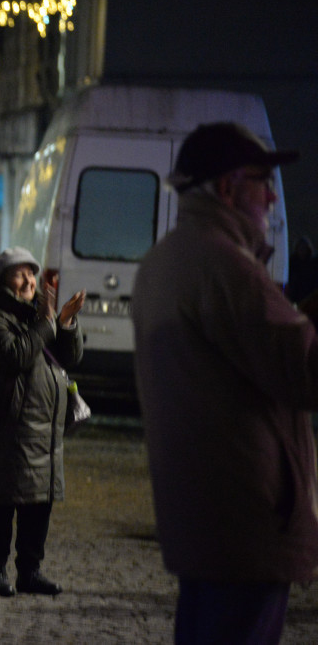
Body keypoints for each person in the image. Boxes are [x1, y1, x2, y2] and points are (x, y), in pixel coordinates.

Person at [131, 122, 318, 644]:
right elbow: (306, 370)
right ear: (228, 188)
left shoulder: (170, 258)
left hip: (207, 513)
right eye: (263, 179)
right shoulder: (225, 266)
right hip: (247, 515)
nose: (274, 194)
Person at [0, 247, 84, 599]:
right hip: (7, 425)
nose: (28, 280)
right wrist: (47, 324)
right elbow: (14, 355)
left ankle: (30, 572)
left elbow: (69, 358)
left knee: (38, 502)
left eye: (31, 274)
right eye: (19, 274)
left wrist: (64, 323)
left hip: (43, 430)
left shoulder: (38, 315)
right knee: (2, 500)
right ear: (1, 280)